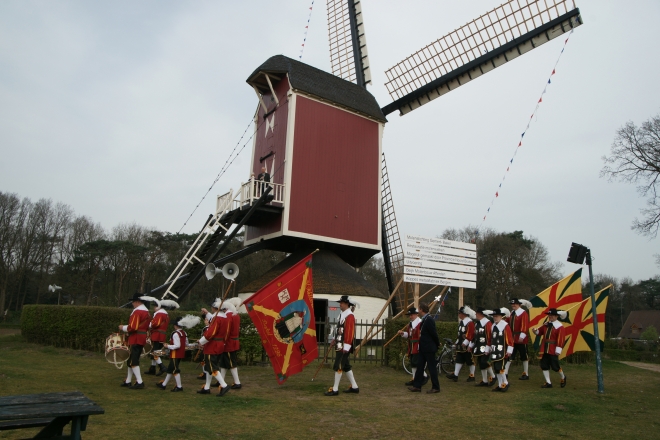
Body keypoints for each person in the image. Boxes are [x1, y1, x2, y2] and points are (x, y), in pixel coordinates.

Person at [324, 296, 359, 396]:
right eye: (340, 302)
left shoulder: (350, 316)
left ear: (347, 304)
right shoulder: (342, 314)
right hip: (339, 344)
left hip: (344, 346)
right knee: (346, 366)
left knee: (339, 365)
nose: (340, 304)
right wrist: (334, 339)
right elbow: (340, 330)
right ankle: (354, 387)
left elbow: (349, 333)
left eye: (342, 303)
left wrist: (346, 347)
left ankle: (335, 389)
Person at [197, 298, 231, 396]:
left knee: (212, 367)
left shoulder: (217, 318)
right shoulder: (224, 317)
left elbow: (211, 333)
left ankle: (224, 385)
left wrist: (201, 341)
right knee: (209, 367)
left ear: (214, 308)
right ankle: (207, 387)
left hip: (212, 345)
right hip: (219, 344)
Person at [157, 315, 198, 392]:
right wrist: (195, 345)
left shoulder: (175, 334)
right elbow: (187, 344)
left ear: (176, 326)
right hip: (180, 354)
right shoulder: (184, 333)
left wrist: (167, 346)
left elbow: (177, 346)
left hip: (175, 354)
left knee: (175, 370)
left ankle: (179, 387)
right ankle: (163, 385)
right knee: (170, 369)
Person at [119, 293, 151, 389]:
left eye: (133, 302)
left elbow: (133, 327)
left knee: (134, 360)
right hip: (141, 337)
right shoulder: (147, 312)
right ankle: (128, 381)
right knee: (131, 360)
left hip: (136, 338)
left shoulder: (137, 312)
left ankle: (140, 382)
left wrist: (123, 327)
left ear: (137, 302)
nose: (132, 303)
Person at [408, 302, 440, 394]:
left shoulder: (429, 319)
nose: (418, 310)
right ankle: (417, 386)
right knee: (419, 367)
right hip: (423, 347)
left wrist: (437, 343)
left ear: (421, 309)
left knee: (431, 368)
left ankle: (436, 387)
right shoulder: (424, 319)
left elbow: (433, 333)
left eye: (419, 308)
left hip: (429, 348)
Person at [533, 308, 567, 388]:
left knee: (555, 366)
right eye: (549, 315)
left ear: (556, 316)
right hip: (544, 348)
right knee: (544, 365)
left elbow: (561, 339)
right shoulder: (546, 324)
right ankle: (548, 382)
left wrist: (558, 349)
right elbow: (540, 332)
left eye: (552, 315)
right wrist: (535, 331)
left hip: (553, 348)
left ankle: (563, 377)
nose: (550, 317)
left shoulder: (560, 327)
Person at [144, 298, 178, 377]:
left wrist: (147, 325)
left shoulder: (160, 314)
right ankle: (152, 368)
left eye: (155, 306)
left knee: (155, 352)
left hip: (157, 335)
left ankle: (162, 366)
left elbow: (155, 324)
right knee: (155, 351)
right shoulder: (165, 314)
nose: (154, 308)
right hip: (160, 334)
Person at [398, 307, 427, 386]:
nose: (410, 316)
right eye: (410, 315)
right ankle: (414, 378)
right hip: (411, 346)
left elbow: (422, 336)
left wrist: (420, 345)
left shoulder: (420, 323)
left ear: (416, 314)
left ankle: (424, 376)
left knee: (416, 362)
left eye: (412, 315)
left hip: (418, 345)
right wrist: (403, 333)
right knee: (413, 363)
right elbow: (409, 335)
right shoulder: (410, 324)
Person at [446, 305, 476, 382]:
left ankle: (472, 375)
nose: (458, 314)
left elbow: (471, 334)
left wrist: (467, 342)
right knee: (459, 360)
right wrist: (456, 342)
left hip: (466, 345)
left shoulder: (470, 323)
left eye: (459, 313)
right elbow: (459, 334)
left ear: (464, 314)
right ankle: (455, 375)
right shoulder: (462, 322)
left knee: (470, 360)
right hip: (460, 345)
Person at [505, 298, 532, 380]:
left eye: (515, 304)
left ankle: (525, 373)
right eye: (512, 304)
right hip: (512, 338)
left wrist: (522, 335)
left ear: (519, 305)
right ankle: (505, 372)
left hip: (520, 338)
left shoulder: (523, 313)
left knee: (524, 355)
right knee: (509, 354)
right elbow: (508, 323)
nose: (513, 305)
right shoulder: (512, 313)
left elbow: (525, 325)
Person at [470, 307, 496, 387]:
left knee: (484, 362)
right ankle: (484, 380)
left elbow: (489, 336)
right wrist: (471, 344)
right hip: (478, 346)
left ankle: (493, 376)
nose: (475, 315)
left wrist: (489, 346)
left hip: (486, 346)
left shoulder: (487, 323)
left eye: (477, 313)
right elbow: (475, 335)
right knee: (481, 364)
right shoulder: (477, 323)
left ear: (481, 314)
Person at [219, 300, 242, 390]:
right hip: (233, 341)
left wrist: (223, 340)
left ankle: (237, 382)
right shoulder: (236, 315)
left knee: (231, 363)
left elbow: (227, 330)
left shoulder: (228, 316)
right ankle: (221, 381)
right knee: (224, 363)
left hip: (228, 342)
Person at [490, 307, 514, 392]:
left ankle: (506, 383)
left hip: (502, 350)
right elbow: (491, 339)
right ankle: (500, 384)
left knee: (501, 368)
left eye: (496, 316)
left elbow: (510, 339)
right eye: (494, 316)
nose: (495, 318)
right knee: (496, 368)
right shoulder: (493, 326)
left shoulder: (505, 326)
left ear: (501, 317)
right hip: (494, 350)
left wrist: (509, 350)